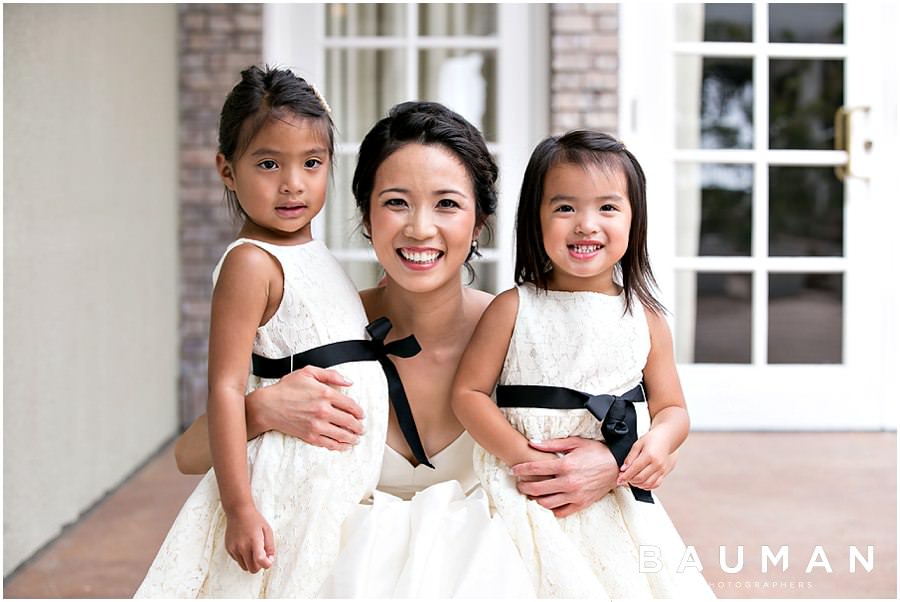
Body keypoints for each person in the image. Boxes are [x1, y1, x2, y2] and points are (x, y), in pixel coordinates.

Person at [172, 105, 680, 597]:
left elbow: (645, 411)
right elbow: (189, 456)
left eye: (447, 204)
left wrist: (613, 465)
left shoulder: (525, 332)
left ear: (479, 221)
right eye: (396, 202)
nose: (420, 228)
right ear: (366, 216)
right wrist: (262, 409)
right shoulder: (321, 330)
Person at [136, 66, 407, 598]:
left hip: (330, 489)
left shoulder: (313, 255)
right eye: (268, 164)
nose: (293, 183)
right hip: (284, 486)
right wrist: (240, 509)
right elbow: (224, 387)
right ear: (227, 170)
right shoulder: (252, 264)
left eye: (312, 163)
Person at [451, 130, 714, 598]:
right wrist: (525, 460)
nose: (586, 225)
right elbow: (468, 395)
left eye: (608, 208)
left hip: (608, 495)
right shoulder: (514, 308)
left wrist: (657, 442)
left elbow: (673, 408)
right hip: (521, 488)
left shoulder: (645, 319)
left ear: (635, 221)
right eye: (565, 207)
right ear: (536, 219)